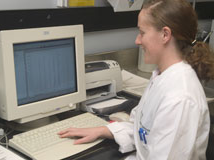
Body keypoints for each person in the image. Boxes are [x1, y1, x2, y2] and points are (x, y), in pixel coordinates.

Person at [58, 0, 214, 159]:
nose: (137, 40)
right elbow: (142, 130)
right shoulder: (162, 76)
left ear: (165, 35)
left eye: (142, 32)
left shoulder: (179, 98)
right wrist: (103, 130)